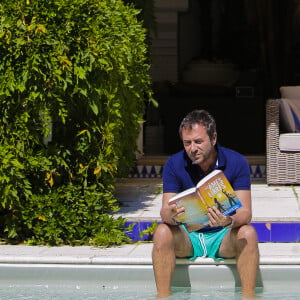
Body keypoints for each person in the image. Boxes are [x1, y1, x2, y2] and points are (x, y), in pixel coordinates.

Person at [152, 109, 260, 299]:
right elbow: (164, 212)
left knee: (248, 233)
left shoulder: (237, 162)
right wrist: (172, 214)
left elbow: (245, 213)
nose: (193, 148)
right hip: (188, 236)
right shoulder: (174, 164)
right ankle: (162, 296)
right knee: (162, 232)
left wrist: (227, 220)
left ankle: (248, 296)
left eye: (198, 141)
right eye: (187, 143)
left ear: (214, 138)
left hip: (223, 236)